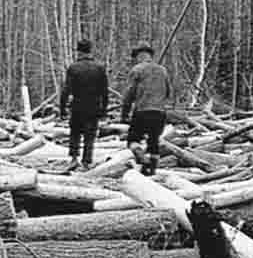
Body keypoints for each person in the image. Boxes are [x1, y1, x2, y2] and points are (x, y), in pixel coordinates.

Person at [120, 42, 171, 176]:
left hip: (142, 111)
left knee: (132, 140)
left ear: (138, 56)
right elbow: (168, 92)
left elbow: (129, 94)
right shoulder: (163, 70)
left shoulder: (137, 70)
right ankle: (151, 171)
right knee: (154, 142)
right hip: (160, 112)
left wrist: (124, 114)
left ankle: (141, 157)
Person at [57, 39, 108, 169]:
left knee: (75, 132)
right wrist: (104, 109)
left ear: (78, 51)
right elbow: (104, 91)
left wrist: (62, 108)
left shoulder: (73, 68)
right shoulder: (99, 68)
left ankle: (74, 158)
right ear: (90, 51)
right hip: (94, 105)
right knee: (90, 134)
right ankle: (86, 161)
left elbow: (66, 90)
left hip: (78, 105)